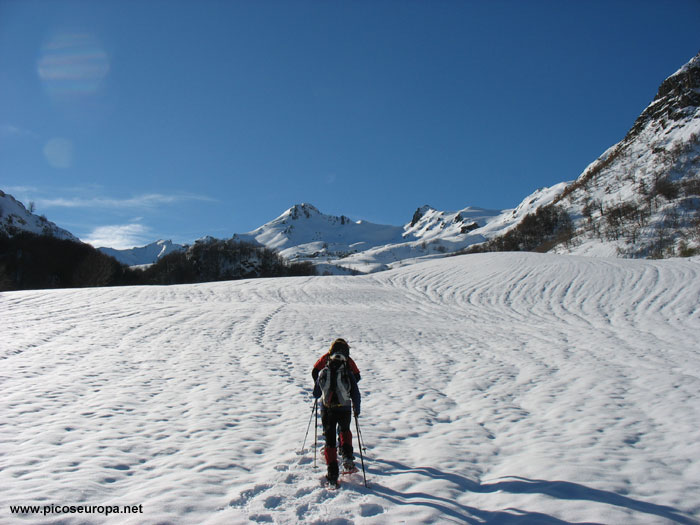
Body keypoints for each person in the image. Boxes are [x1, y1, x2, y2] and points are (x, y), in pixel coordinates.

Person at [313, 346, 361, 486]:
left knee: (329, 440)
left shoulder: (324, 371)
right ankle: (348, 460)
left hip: (327, 410)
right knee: (345, 431)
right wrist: (356, 408)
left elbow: (316, 392)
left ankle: (332, 473)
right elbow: (355, 392)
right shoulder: (347, 372)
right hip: (344, 408)